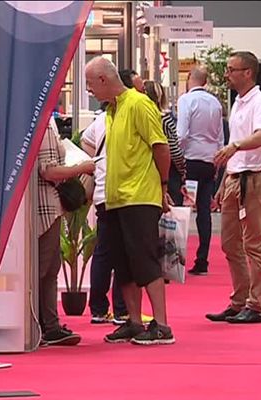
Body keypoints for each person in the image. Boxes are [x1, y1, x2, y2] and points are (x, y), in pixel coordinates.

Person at [85, 56, 175, 345]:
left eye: (89, 83)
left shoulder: (138, 104)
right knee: (121, 263)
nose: (88, 90)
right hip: (114, 199)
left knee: (144, 259)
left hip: (139, 196)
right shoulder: (111, 111)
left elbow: (161, 148)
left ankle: (161, 325)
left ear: (103, 79)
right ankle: (134, 321)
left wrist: (162, 186)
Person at [206, 51, 261, 324]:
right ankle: (239, 300)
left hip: (255, 177)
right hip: (235, 177)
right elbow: (234, 145)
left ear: (247, 72)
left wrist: (234, 146)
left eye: (231, 69)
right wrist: (224, 182)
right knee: (229, 243)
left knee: (254, 244)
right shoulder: (238, 103)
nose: (227, 74)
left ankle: (256, 304)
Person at [37, 117, 95, 346]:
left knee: (50, 267)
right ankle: (43, 326)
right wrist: (82, 168)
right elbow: (48, 171)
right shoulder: (43, 125)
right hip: (45, 208)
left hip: (47, 207)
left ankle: (48, 325)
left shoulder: (43, 122)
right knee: (44, 268)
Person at [81, 103, 129, 326]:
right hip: (123, 193)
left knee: (103, 251)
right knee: (123, 252)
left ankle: (98, 308)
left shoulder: (99, 120)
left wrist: (98, 162)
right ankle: (121, 309)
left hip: (103, 193)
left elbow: (85, 141)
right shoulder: (128, 116)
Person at [176, 66, 224, 275]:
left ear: (189, 79)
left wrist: (178, 158)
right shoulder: (215, 103)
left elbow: (182, 133)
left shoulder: (186, 100)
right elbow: (221, 137)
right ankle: (202, 260)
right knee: (204, 212)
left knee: (181, 209)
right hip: (209, 160)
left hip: (190, 160)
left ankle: (175, 260)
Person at [142, 80, 187, 204]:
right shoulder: (164, 119)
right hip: (169, 170)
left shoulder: (142, 117)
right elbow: (173, 149)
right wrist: (183, 169)